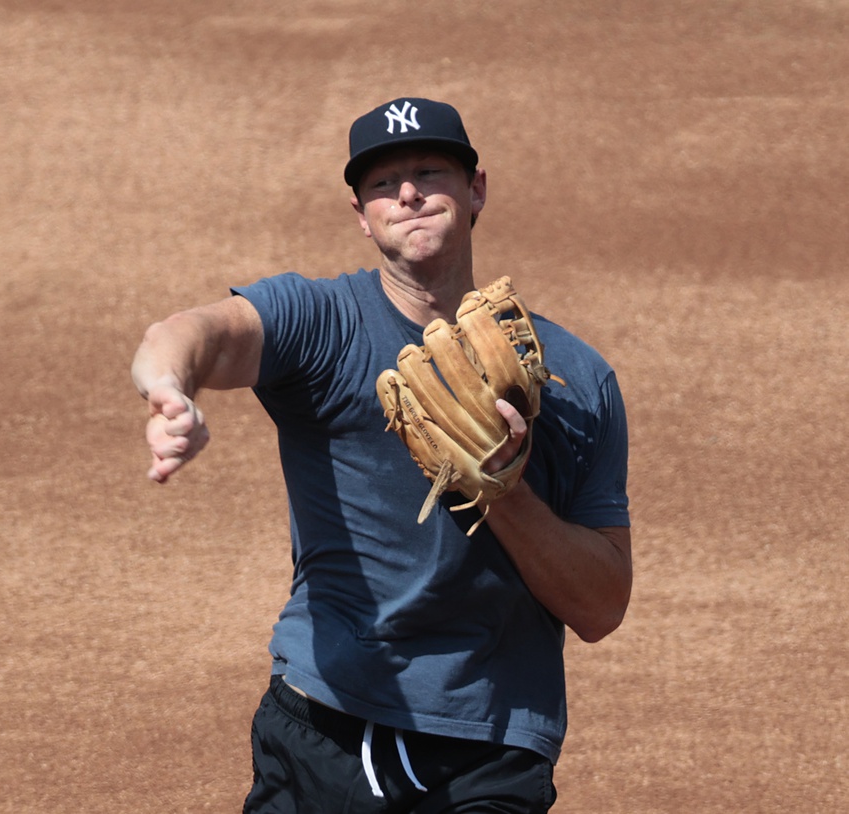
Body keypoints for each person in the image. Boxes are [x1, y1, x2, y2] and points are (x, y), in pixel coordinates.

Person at [131, 97, 632, 814]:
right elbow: (193, 331)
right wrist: (169, 388)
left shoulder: (577, 381)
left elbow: (602, 606)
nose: (407, 193)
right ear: (361, 216)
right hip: (324, 725)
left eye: (430, 170)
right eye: (381, 184)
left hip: (488, 749)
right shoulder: (321, 322)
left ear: (476, 190)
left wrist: (503, 492)